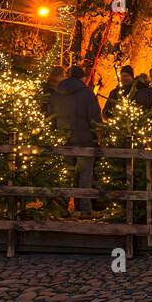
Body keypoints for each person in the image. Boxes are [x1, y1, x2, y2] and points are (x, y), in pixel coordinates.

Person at [50, 65, 103, 216]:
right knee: (85, 175)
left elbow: (51, 116)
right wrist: (99, 137)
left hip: (64, 140)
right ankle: (84, 209)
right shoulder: (87, 93)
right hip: (84, 140)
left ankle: (62, 208)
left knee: (66, 174)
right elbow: (94, 117)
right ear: (83, 78)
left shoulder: (57, 93)